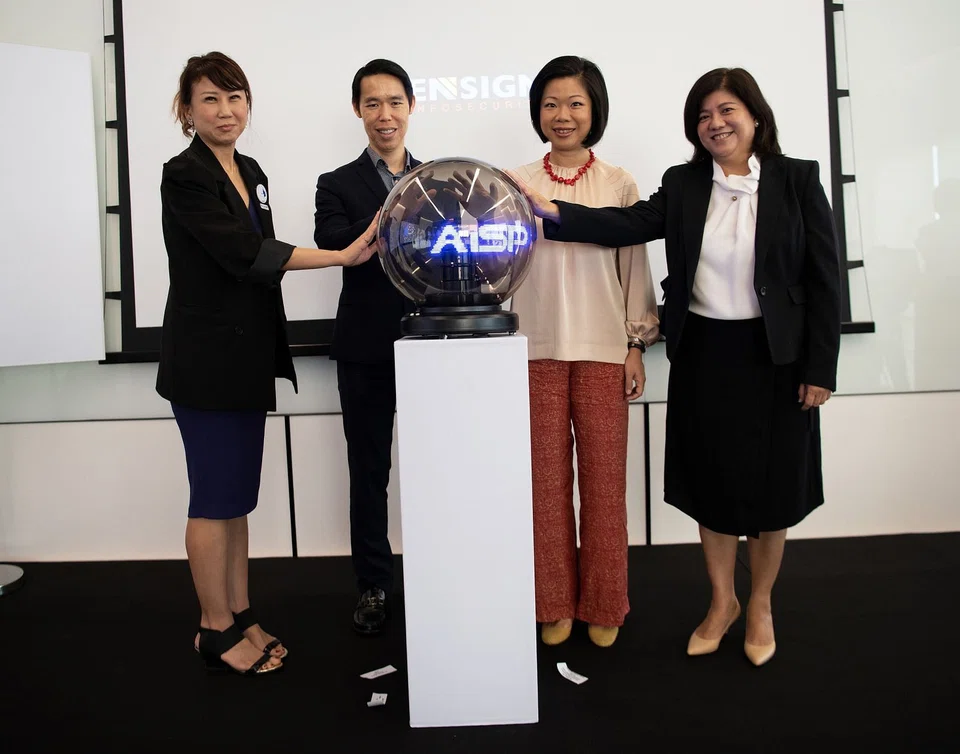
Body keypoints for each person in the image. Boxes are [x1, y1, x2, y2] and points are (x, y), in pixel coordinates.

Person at [510, 67, 841, 666]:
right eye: (703, 116)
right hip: (706, 355)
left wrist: (820, 368)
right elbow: (626, 225)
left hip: (777, 359)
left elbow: (824, 278)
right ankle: (722, 603)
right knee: (711, 485)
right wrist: (552, 210)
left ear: (755, 116)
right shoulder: (684, 184)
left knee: (775, 489)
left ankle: (760, 605)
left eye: (726, 111)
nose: (715, 124)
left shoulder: (797, 179)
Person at [158, 51, 379, 675]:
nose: (225, 110)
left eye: (235, 98)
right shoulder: (185, 174)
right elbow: (246, 254)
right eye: (210, 99)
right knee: (212, 498)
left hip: (248, 357)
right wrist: (340, 255)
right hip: (205, 363)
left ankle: (240, 612)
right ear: (187, 110)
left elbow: (261, 257)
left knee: (237, 499)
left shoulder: (249, 170)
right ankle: (213, 628)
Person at [509, 56, 660, 648]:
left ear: (594, 109)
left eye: (575, 103)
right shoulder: (516, 181)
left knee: (604, 485)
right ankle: (552, 602)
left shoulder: (619, 183)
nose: (562, 115)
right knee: (543, 487)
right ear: (537, 112)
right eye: (551, 104)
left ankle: (604, 601)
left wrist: (635, 344)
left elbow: (635, 267)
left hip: (603, 350)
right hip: (535, 349)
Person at [313, 59, 419, 635]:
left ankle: (436, 574)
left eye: (394, 101)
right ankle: (374, 584)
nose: (385, 114)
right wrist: (386, 222)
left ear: (411, 106)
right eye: (372, 103)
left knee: (436, 468)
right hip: (365, 348)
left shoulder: (437, 180)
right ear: (358, 110)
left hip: (431, 346)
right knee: (369, 472)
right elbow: (331, 239)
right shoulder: (336, 183)